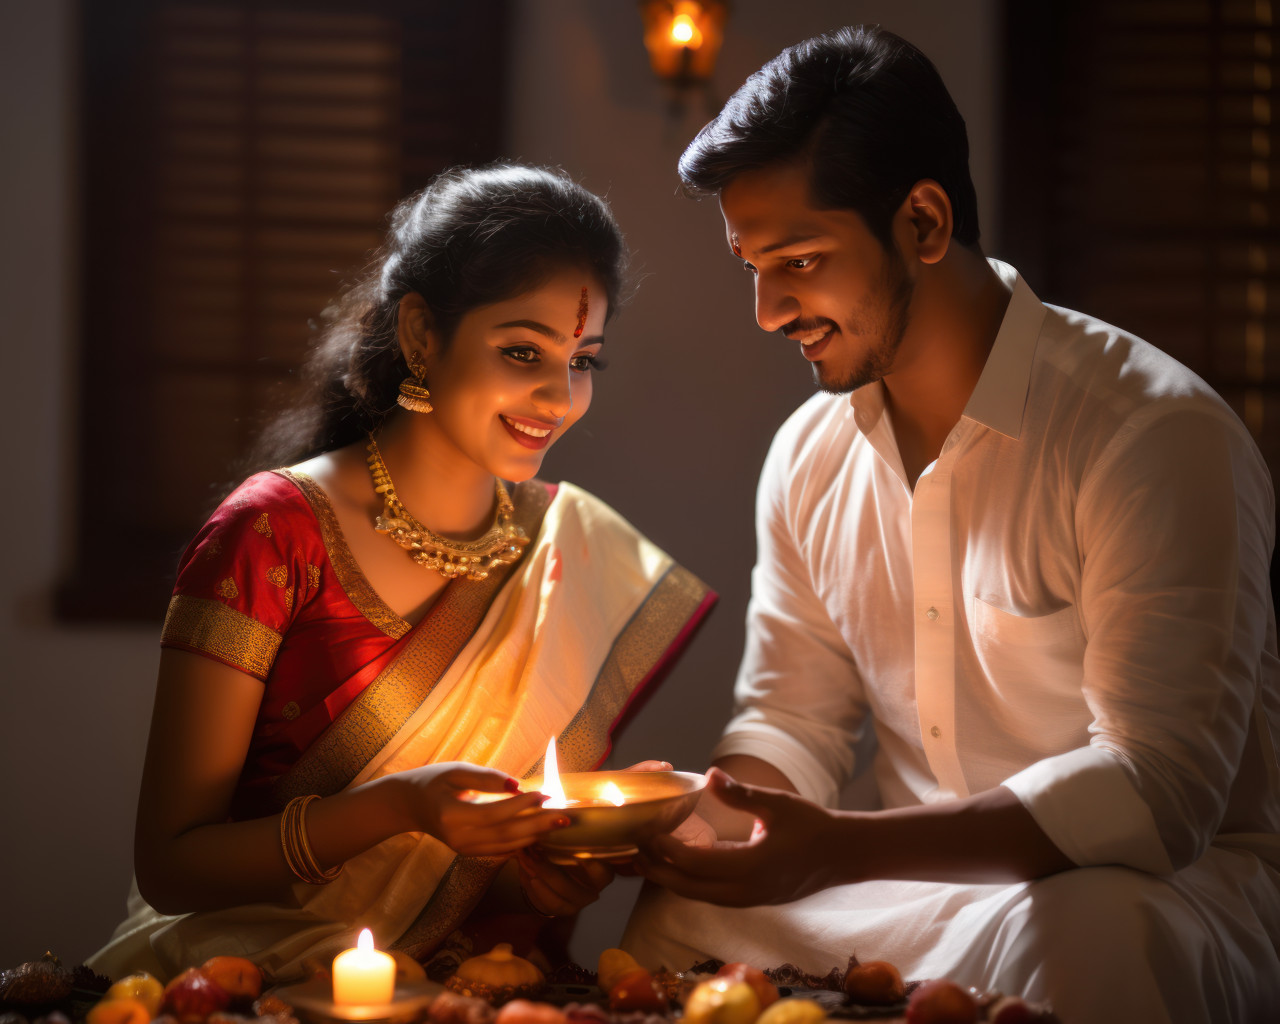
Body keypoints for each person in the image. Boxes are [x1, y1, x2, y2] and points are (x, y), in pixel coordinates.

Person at [622, 26, 1280, 1024]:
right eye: (750, 265)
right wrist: (710, 814)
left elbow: (1158, 793)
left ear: (923, 222)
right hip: (912, 895)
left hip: (1156, 892)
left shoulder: (1148, 431)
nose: (765, 310)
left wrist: (839, 846)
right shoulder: (809, 454)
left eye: (797, 259)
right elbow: (792, 720)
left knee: (1091, 928)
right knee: (682, 905)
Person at [89, 164, 714, 984]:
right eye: (521, 350)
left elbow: (481, 881)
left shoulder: (567, 544)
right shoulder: (273, 534)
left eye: (585, 360)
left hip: (483, 986)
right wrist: (398, 808)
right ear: (420, 333)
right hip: (261, 979)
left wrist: (551, 862)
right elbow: (172, 866)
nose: (558, 396)